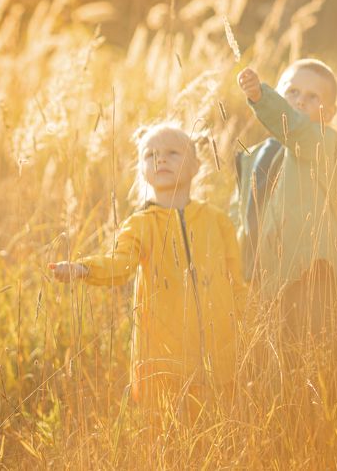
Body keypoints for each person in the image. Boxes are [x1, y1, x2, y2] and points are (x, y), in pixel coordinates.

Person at [49, 122, 245, 422]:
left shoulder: (216, 221)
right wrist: (83, 268)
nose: (160, 159)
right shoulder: (141, 224)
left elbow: (237, 280)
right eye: (150, 155)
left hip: (217, 356)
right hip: (163, 355)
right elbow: (120, 265)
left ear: (195, 166)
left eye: (172, 153)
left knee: (217, 428)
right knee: (168, 434)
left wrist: (247, 332)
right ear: (142, 169)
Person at [233, 59, 337, 341]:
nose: (300, 102)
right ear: (281, 93)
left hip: (312, 277)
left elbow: (293, 128)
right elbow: (244, 215)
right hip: (267, 280)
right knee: (273, 363)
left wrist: (262, 98)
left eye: (312, 97)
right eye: (292, 92)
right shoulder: (255, 155)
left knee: (317, 357)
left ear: (329, 113)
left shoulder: (321, 142)